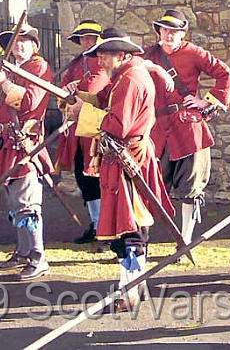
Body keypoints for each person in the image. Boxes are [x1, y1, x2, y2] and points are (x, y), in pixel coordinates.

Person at [65, 27, 174, 311]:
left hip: (129, 158)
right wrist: (79, 99)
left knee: (131, 230)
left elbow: (117, 124)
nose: (100, 61)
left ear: (121, 55)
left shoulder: (130, 80)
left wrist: (82, 113)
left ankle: (130, 293)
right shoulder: (126, 75)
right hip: (127, 156)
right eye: (98, 55)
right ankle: (135, 288)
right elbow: (106, 103)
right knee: (133, 228)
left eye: (105, 56)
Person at [144, 9, 230, 247]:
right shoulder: (147, 55)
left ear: (182, 33)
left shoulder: (193, 53)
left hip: (188, 128)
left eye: (174, 31)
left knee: (190, 186)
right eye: (165, 30)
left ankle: (185, 239)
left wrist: (207, 101)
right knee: (149, 184)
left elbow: (226, 75)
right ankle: (141, 238)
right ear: (159, 31)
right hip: (157, 129)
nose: (169, 35)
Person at [0, 26, 55, 280]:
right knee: (15, 203)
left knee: (27, 203)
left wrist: (4, 83)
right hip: (6, 141)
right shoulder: (9, 69)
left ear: (34, 46)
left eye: (24, 41)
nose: (18, 46)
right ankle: (24, 251)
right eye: (14, 42)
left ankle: (39, 258)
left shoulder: (39, 68)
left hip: (24, 142)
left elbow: (29, 102)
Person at [55, 20, 109, 244]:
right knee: (83, 178)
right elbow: (62, 91)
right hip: (77, 131)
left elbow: (94, 90)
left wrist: (74, 89)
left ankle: (107, 228)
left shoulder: (102, 62)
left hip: (96, 130)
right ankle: (96, 224)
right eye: (84, 38)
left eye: (91, 38)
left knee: (98, 179)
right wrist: (68, 90)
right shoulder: (77, 63)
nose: (87, 42)